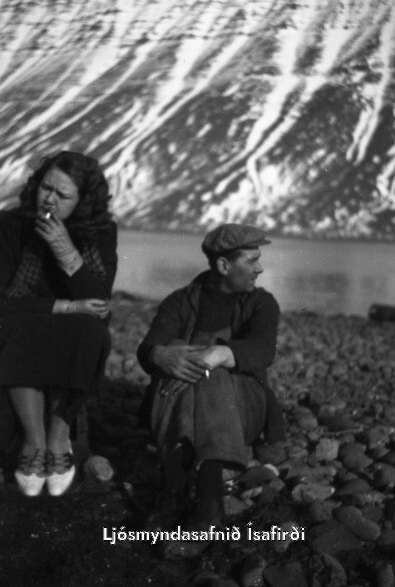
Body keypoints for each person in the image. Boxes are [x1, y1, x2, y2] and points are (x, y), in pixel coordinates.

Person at [137, 223, 285, 558]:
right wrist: (160, 355)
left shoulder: (262, 303)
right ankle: (199, 500)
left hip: (241, 409)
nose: (260, 268)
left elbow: (263, 350)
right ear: (223, 265)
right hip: (185, 406)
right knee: (175, 349)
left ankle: (193, 498)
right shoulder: (180, 301)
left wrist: (215, 355)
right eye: (252, 261)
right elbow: (148, 348)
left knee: (209, 369)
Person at [0, 151, 117, 497]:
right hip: (21, 319)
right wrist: (65, 306)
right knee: (20, 326)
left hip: (72, 328)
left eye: (62, 195)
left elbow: (99, 302)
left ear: (82, 201)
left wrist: (66, 252)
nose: (49, 199)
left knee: (90, 329)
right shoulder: (11, 225)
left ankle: (58, 439)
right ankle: (34, 443)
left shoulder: (101, 232)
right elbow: (3, 300)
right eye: (45, 188)